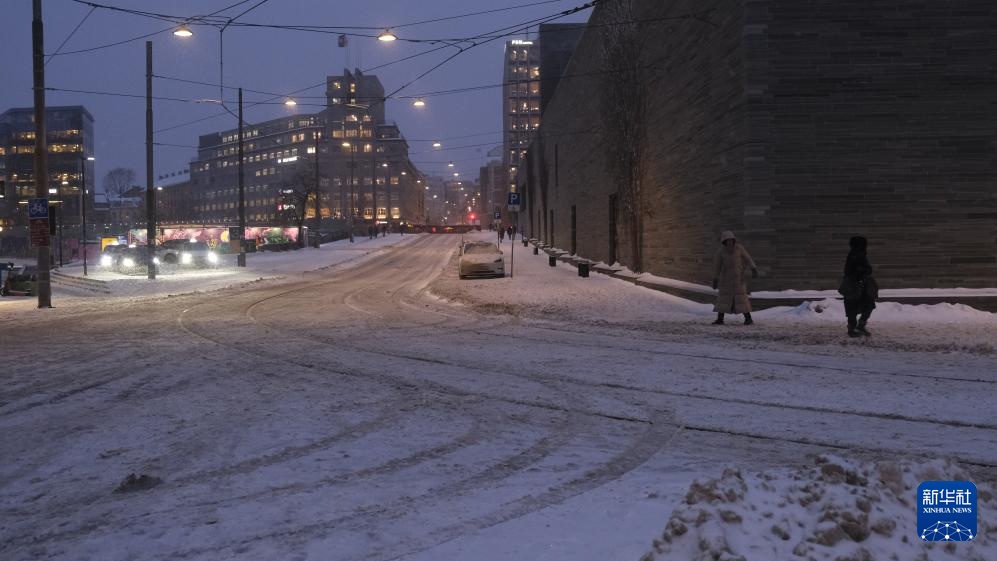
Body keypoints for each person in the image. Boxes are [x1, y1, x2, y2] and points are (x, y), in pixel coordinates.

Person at [711, 230, 758, 325]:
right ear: (724, 241)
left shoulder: (739, 248)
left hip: (738, 278)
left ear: (733, 240)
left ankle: (748, 319)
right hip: (726, 279)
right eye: (727, 240)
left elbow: (748, 258)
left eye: (731, 240)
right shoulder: (720, 252)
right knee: (723, 299)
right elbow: (717, 266)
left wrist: (754, 269)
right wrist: (715, 279)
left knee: (742, 299)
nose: (729, 242)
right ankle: (720, 319)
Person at [840, 235, 877, 337]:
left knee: (868, 304)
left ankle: (860, 325)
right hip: (853, 286)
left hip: (862, 285)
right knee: (852, 307)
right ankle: (852, 328)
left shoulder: (861, 255)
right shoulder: (854, 256)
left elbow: (868, 269)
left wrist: (864, 272)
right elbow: (850, 271)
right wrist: (861, 273)